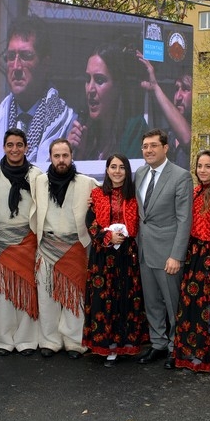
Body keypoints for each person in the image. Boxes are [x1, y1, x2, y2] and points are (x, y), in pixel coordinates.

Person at [0, 129, 41, 357]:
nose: (15, 149)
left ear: (26, 147)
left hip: (27, 240)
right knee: (2, 292)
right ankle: (1, 338)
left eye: (19, 145)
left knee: (27, 290)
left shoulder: (36, 175)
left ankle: (26, 339)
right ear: (3, 147)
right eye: (10, 145)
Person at [82, 154, 148, 367]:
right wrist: (107, 237)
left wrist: (124, 236)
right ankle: (106, 345)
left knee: (125, 299)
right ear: (107, 169)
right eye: (113, 167)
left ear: (127, 171)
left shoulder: (135, 195)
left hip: (127, 256)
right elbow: (90, 222)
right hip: (102, 255)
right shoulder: (97, 194)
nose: (117, 171)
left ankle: (125, 345)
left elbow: (139, 222)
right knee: (103, 299)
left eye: (121, 167)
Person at [34, 139, 98, 359]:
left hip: (75, 247)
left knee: (75, 296)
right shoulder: (39, 182)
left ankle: (74, 342)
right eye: (56, 156)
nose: (61, 160)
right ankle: (49, 341)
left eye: (65, 156)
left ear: (72, 156)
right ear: (50, 157)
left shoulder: (88, 183)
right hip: (47, 246)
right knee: (46, 296)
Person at [135, 128, 193, 369]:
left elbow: (184, 219)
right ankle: (158, 344)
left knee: (172, 303)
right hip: (145, 251)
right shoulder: (139, 173)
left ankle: (174, 347)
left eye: (153, 146)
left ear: (165, 148)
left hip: (168, 254)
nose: (148, 150)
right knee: (152, 302)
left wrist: (176, 256)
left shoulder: (180, 176)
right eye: (145, 146)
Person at [0, 16, 77, 165]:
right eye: (10, 56)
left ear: (45, 64)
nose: (16, 67)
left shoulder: (68, 123)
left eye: (25, 56)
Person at [172, 150, 210, 373]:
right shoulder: (194, 192)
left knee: (207, 307)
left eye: (208, 166)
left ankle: (206, 356)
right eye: (200, 166)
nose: (202, 170)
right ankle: (189, 352)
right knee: (189, 306)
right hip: (193, 254)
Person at [68, 40, 148, 161]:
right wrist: (77, 155)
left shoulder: (135, 128)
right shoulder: (85, 133)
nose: (90, 89)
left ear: (117, 86)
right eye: (87, 79)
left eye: (99, 80)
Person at [137, 53, 192, 168]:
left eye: (185, 89)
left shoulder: (202, 130)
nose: (178, 97)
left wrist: (155, 87)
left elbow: (187, 139)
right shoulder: (167, 136)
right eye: (176, 89)